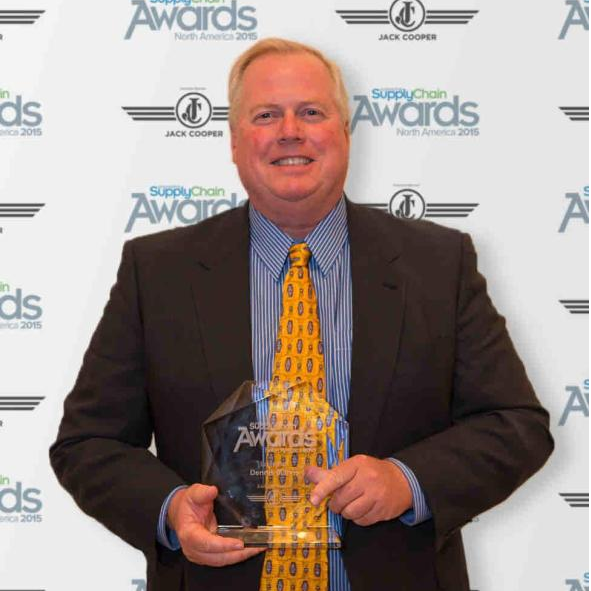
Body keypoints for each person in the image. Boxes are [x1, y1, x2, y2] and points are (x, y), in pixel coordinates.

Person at [50, 38, 554, 591]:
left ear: (346, 132)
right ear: (235, 141)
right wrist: (171, 508)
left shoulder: (438, 264)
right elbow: (88, 443)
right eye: (266, 115)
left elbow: (515, 425)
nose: (290, 131)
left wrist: (406, 481)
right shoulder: (157, 272)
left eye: (312, 112)